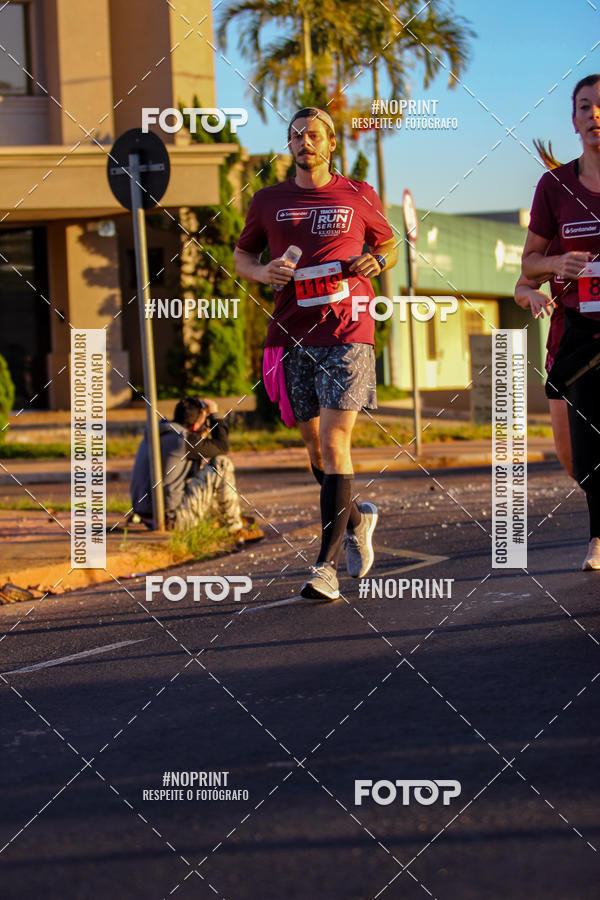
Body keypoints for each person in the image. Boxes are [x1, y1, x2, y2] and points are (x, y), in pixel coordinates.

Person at [233, 106, 398, 600]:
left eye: (315, 135)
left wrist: (376, 258)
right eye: (296, 135)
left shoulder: (357, 194)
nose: (305, 141)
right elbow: (244, 256)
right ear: (290, 145)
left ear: (331, 145)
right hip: (290, 334)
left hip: (348, 331)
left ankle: (323, 568)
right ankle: (354, 520)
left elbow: (389, 243)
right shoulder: (268, 201)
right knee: (313, 447)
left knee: (333, 442)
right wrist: (263, 274)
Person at [521, 74, 600, 570]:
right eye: (585, 107)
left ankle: (598, 537)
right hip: (577, 330)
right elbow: (529, 262)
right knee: (577, 455)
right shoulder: (554, 187)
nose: (595, 115)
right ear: (573, 121)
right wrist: (556, 264)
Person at [130, 396, 247, 536]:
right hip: (173, 521)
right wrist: (214, 415)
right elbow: (222, 447)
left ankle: (216, 519)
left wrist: (199, 436)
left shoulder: (157, 434)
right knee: (222, 464)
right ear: (195, 425)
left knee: (199, 479)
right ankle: (233, 528)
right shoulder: (182, 440)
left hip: (147, 518)